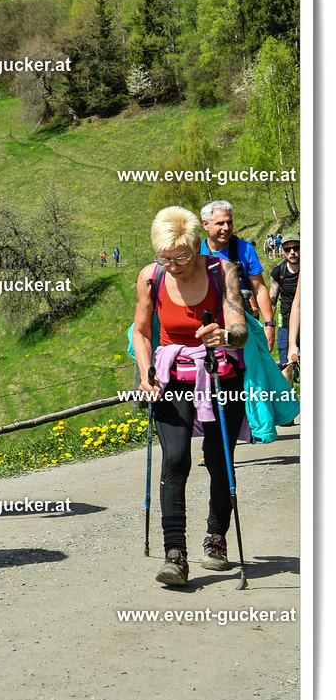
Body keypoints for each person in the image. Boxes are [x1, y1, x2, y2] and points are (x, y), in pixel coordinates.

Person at [131, 206, 248, 587]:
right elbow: (142, 330)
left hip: (220, 375)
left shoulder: (222, 271)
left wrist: (224, 336)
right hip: (172, 376)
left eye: (181, 257)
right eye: (165, 258)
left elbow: (240, 329)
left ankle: (216, 539)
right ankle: (175, 554)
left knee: (217, 458)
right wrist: (147, 373)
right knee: (177, 459)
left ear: (197, 247)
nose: (174, 266)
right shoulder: (150, 278)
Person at [199, 200, 275, 351]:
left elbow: (259, 289)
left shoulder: (245, 249)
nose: (226, 228)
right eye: (220, 223)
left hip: (244, 325)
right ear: (206, 224)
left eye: (229, 222)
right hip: (209, 330)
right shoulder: (197, 252)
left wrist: (269, 325)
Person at [270, 232, 300, 375]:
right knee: (285, 364)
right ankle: (289, 396)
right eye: (288, 249)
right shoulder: (278, 271)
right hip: (286, 322)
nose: (292, 252)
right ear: (283, 251)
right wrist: (270, 327)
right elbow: (272, 301)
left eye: (296, 248)